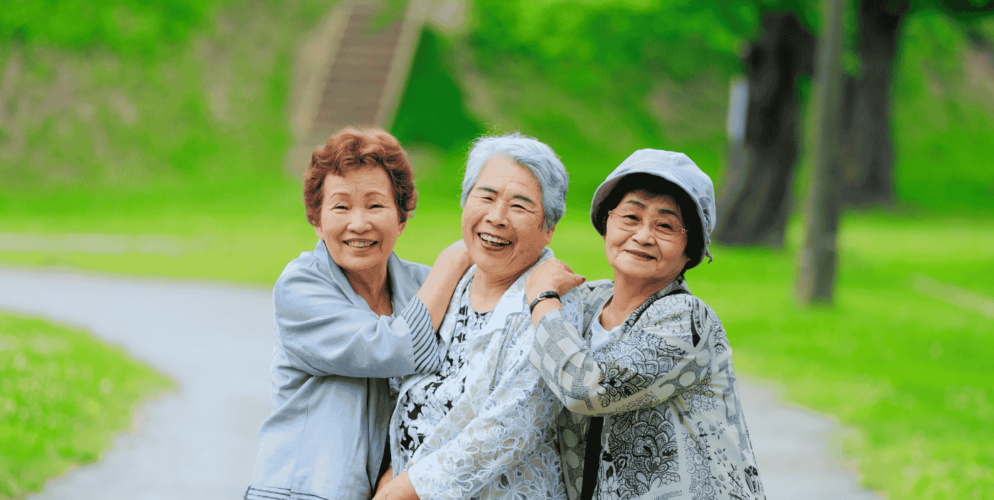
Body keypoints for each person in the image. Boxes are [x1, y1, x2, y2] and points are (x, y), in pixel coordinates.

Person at [245, 128, 471, 500]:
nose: (359, 223)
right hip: (299, 492)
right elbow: (391, 348)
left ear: (401, 217)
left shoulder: (423, 285)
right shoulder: (299, 287)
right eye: (341, 206)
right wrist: (454, 259)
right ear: (317, 221)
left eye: (375, 205)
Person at [526, 149, 765, 500]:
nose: (643, 235)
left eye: (665, 225)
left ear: (690, 247)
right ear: (607, 223)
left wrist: (543, 301)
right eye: (631, 217)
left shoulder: (687, 320)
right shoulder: (585, 302)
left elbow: (587, 389)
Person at [375, 132, 578, 500]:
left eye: (520, 206)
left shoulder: (553, 305)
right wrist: (391, 473)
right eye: (485, 196)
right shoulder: (451, 284)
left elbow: (504, 432)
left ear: (549, 228)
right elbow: (399, 383)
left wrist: (395, 493)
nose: (496, 217)